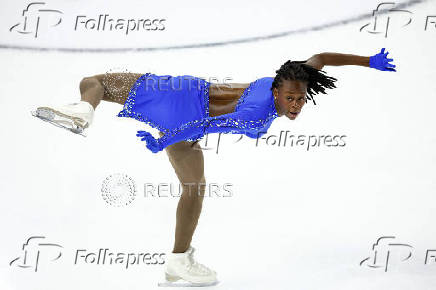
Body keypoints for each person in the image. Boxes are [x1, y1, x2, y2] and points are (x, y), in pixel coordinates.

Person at [31, 48, 396, 286]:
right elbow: (206, 123)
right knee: (194, 187)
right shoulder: (257, 113)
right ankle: (82, 114)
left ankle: (83, 112)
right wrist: (163, 140)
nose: (296, 104)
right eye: (290, 98)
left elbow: (321, 58)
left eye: (301, 98)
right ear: (277, 93)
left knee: (94, 84)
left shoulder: (285, 77)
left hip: (181, 95)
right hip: (187, 112)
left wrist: (369, 62)